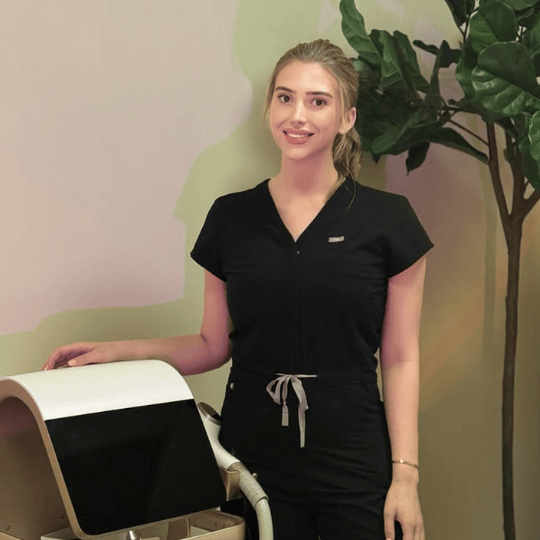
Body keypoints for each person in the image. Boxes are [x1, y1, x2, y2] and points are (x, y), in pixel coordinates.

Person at [43, 39, 431, 540]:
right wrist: (116, 351)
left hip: (354, 456)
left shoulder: (388, 222)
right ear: (270, 107)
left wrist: (405, 476)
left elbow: (401, 359)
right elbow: (212, 345)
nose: (298, 114)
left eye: (318, 101)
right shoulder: (232, 218)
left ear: (347, 118)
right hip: (252, 459)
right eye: (285, 97)